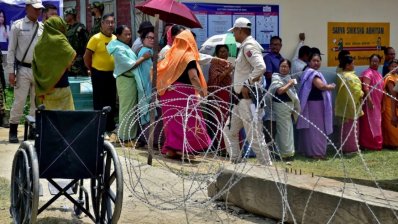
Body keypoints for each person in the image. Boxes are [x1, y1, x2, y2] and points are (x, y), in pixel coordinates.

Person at [223, 17, 272, 165]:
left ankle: (267, 167)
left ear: (240, 30)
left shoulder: (249, 46)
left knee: (254, 136)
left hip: (248, 97)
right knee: (228, 131)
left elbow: (261, 67)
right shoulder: (244, 46)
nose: (233, 35)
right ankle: (235, 161)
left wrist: (247, 83)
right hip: (239, 99)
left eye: (234, 32)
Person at [157, 30, 211, 159]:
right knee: (189, 122)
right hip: (184, 93)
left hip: (169, 93)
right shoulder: (188, 56)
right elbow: (193, 76)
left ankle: (172, 150)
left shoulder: (171, 53)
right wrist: (203, 92)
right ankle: (184, 149)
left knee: (173, 123)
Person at [6, 0, 44, 143]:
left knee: (36, 103)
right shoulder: (18, 26)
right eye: (35, 9)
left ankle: (33, 131)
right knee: (19, 101)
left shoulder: (42, 28)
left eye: (39, 9)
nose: (38, 12)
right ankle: (13, 130)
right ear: (27, 8)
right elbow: (11, 50)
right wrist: (11, 71)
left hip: (38, 71)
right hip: (23, 70)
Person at [106, 25, 151, 143]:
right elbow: (130, 65)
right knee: (127, 109)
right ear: (118, 35)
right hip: (125, 80)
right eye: (126, 34)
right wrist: (143, 57)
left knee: (132, 108)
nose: (129, 37)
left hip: (130, 80)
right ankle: (125, 138)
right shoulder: (118, 49)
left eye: (130, 34)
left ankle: (129, 136)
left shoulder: (123, 46)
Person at [297, 52, 335, 159]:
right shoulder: (312, 73)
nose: (316, 63)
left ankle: (310, 151)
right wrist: (330, 87)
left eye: (318, 61)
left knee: (311, 129)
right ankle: (317, 153)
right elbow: (321, 86)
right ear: (309, 62)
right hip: (315, 105)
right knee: (317, 130)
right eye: (314, 60)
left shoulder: (307, 72)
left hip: (311, 104)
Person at [32, 16, 75, 110]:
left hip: (45, 90)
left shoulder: (39, 44)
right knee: (67, 121)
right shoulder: (60, 39)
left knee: (50, 121)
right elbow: (72, 54)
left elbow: (35, 65)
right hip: (62, 87)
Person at [84, 13, 116, 134]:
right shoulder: (95, 38)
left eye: (112, 22)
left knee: (111, 100)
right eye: (107, 22)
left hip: (112, 74)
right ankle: (99, 126)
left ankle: (110, 126)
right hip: (98, 74)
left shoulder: (115, 38)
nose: (110, 25)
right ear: (102, 24)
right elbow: (86, 56)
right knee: (99, 101)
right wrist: (91, 69)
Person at [267, 59, 300, 160]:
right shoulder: (276, 77)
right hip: (280, 106)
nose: (283, 68)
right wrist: (289, 84)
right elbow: (280, 91)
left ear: (289, 68)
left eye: (286, 67)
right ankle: (285, 154)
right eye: (282, 66)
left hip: (289, 106)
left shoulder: (289, 78)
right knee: (283, 130)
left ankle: (288, 152)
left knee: (288, 130)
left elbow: (293, 94)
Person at [335, 55, 363, 153]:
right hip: (352, 106)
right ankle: (351, 148)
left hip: (343, 105)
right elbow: (356, 91)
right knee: (352, 128)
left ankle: (343, 147)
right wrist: (362, 94)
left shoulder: (340, 74)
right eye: (352, 64)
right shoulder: (350, 77)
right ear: (347, 65)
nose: (354, 66)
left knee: (344, 128)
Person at [207, 44, 233, 153]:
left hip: (226, 95)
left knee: (227, 121)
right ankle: (222, 148)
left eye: (226, 51)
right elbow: (215, 81)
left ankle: (229, 147)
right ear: (217, 54)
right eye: (221, 52)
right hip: (217, 95)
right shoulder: (214, 64)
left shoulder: (228, 64)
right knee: (220, 121)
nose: (224, 54)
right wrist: (227, 71)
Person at [359, 54, 384, 151]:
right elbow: (366, 88)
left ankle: (376, 144)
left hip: (377, 102)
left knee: (377, 122)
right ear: (369, 62)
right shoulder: (368, 73)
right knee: (370, 123)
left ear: (379, 62)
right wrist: (369, 100)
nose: (375, 63)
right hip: (370, 103)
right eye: (373, 61)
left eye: (377, 61)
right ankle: (369, 144)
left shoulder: (378, 73)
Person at [64, 8, 89, 77]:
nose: (65, 17)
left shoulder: (81, 28)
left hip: (79, 63)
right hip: (69, 62)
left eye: (66, 15)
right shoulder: (67, 28)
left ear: (71, 16)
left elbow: (87, 45)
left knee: (81, 85)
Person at [381, 59, 398, 149]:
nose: (394, 68)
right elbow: (392, 92)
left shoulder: (396, 76)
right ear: (388, 67)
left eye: (396, 66)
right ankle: (391, 144)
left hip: (395, 102)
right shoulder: (389, 77)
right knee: (391, 123)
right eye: (392, 66)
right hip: (390, 103)